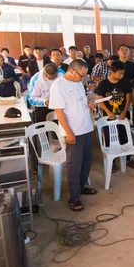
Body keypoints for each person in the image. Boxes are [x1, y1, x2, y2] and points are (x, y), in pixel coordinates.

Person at [49, 60, 98, 212]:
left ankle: (81, 187)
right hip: (73, 131)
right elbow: (59, 112)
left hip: (86, 127)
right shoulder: (58, 86)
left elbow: (79, 102)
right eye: (81, 75)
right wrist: (69, 132)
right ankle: (74, 198)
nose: (83, 79)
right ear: (71, 70)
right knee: (74, 165)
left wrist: (89, 104)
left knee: (86, 162)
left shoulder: (77, 83)